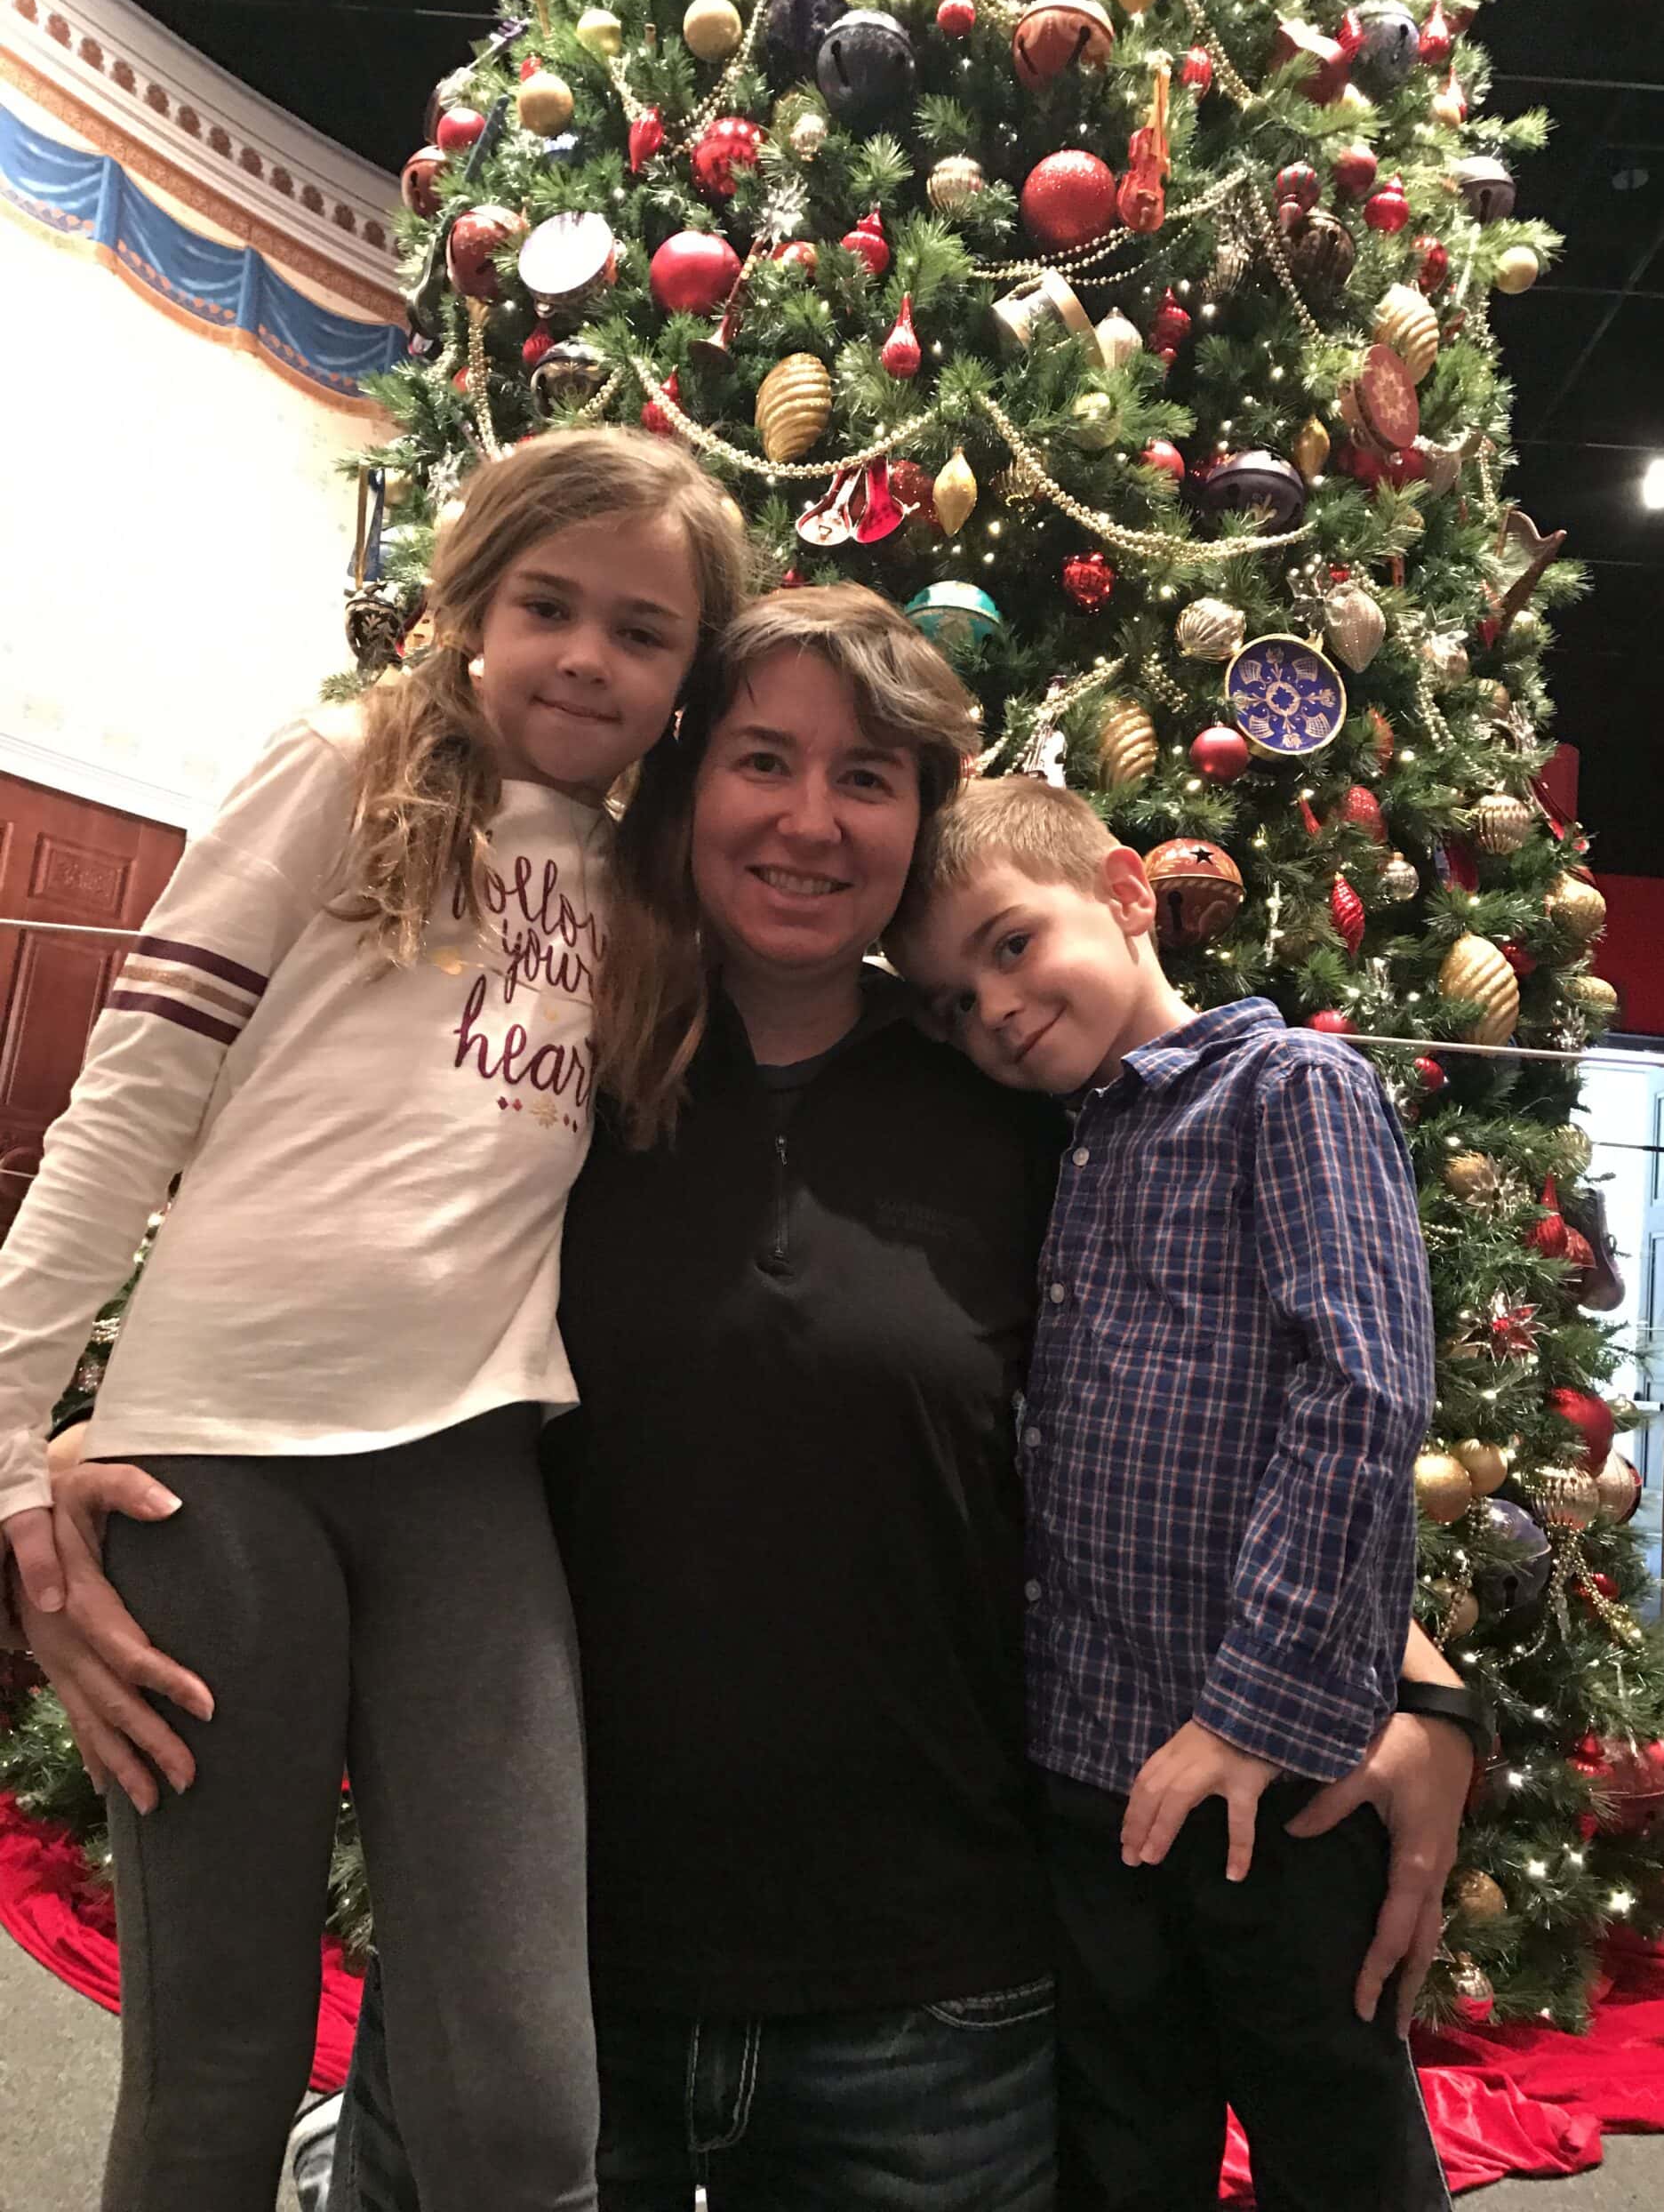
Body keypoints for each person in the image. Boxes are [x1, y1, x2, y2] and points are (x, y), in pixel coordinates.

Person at [17, 589, 1474, 2211]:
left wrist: (1423, 1691)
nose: (807, 817)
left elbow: (1238, 1400)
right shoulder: (545, 1070)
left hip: (935, 2006)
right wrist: (96, 1452)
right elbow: (333, 1287)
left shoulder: (1029, 1107)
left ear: (920, 822)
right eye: (760, 760)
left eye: (866, 777)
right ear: (686, 785)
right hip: (542, 1992)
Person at [0, 428, 749, 2211]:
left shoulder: (659, 894)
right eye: (547, 604)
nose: (587, 655)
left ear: (685, 675)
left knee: (521, 2097)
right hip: (217, 1471)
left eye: (642, 631)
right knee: (221, 2062)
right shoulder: (341, 769)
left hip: (468, 1478)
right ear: (470, 601)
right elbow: (126, 1105)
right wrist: (13, 1444)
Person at [889, 773, 1471, 2211]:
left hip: (1281, 1781)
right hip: (1094, 1782)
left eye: (1012, 944)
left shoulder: (1295, 1090)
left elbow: (1364, 1399)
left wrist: (1249, 1712)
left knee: (1335, 2141)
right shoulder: (1056, 1147)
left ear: (1129, 893)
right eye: (956, 1001)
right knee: (1122, 2141)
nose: (997, 1012)